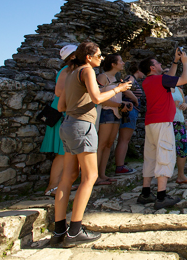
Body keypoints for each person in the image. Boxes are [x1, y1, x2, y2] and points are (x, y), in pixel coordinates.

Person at [54, 42, 132, 248]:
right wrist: (119, 88)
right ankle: (75, 231)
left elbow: (61, 105)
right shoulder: (87, 70)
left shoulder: (70, 73)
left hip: (68, 125)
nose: (101, 58)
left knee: (67, 178)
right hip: (82, 126)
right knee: (90, 176)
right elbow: (97, 98)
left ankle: (59, 229)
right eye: (98, 55)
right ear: (88, 57)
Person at [136, 48, 187, 210]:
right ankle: (161, 195)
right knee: (165, 155)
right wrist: (184, 64)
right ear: (152, 68)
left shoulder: (148, 81)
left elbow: (169, 77)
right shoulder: (160, 80)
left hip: (150, 123)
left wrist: (175, 61)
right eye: (157, 63)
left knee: (150, 157)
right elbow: (184, 79)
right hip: (163, 122)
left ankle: (145, 193)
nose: (160, 64)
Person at [41, 44, 77, 196]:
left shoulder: (73, 71)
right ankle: (52, 187)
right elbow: (59, 91)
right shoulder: (66, 70)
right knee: (62, 152)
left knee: (66, 152)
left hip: (68, 112)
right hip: (63, 113)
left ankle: (61, 184)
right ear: (73, 56)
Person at [96, 54, 137, 185]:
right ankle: (94, 176)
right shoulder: (103, 77)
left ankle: (102, 174)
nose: (123, 63)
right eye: (120, 61)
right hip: (106, 112)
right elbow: (100, 97)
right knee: (101, 144)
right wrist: (120, 105)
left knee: (109, 145)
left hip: (116, 114)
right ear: (113, 64)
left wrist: (123, 105)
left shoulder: (116, 78)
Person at [114, 62, 145, 175]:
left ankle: (120, 162)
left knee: (124, 139)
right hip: (129, 111)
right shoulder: (130, 78)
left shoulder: (131, 78)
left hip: (131, 111)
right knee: (124, 140)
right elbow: (124, 89)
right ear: (138, 70)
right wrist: (135, 100)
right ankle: (120, 166)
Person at [172, 82, 187, 184]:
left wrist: (184, 105)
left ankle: (180, 175)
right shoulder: (162, 88)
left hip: (179, 121)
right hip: (166, 122)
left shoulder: (179, 89)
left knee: (183, 148)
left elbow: (184, 102)